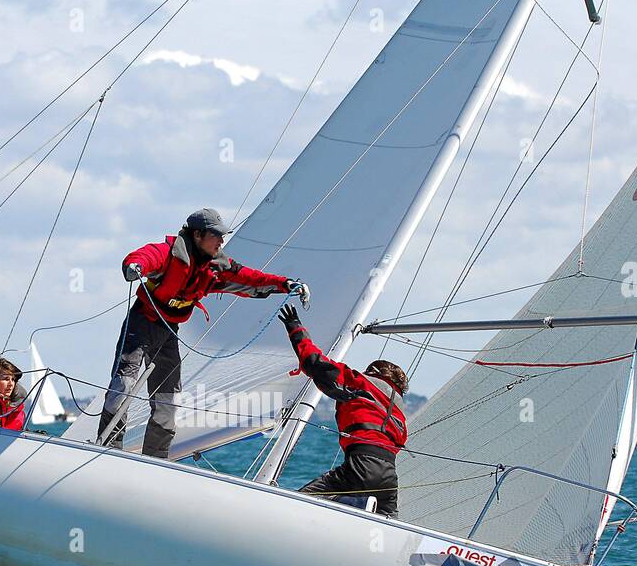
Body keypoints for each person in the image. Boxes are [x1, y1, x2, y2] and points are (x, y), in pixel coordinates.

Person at [97, 207, 309, 459]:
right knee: (124, 384)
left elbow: (251, 278)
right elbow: (143, 256)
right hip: (142, 322)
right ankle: (108, 450)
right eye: (216, 236)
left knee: (169, 399)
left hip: (168, 331)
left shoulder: (216, 266)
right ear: (197, 235)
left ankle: (155, 459)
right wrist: (134, 266)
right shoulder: (170, 252)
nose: (222, 241)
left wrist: (285, 284)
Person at [278, 303, 409, 518]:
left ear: (374, 373)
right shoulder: (398, 412)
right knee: (390, 527)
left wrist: (295, 329)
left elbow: (316, 363)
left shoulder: (361, 382)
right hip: (389, 478)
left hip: (359, 465)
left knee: (297, 505)